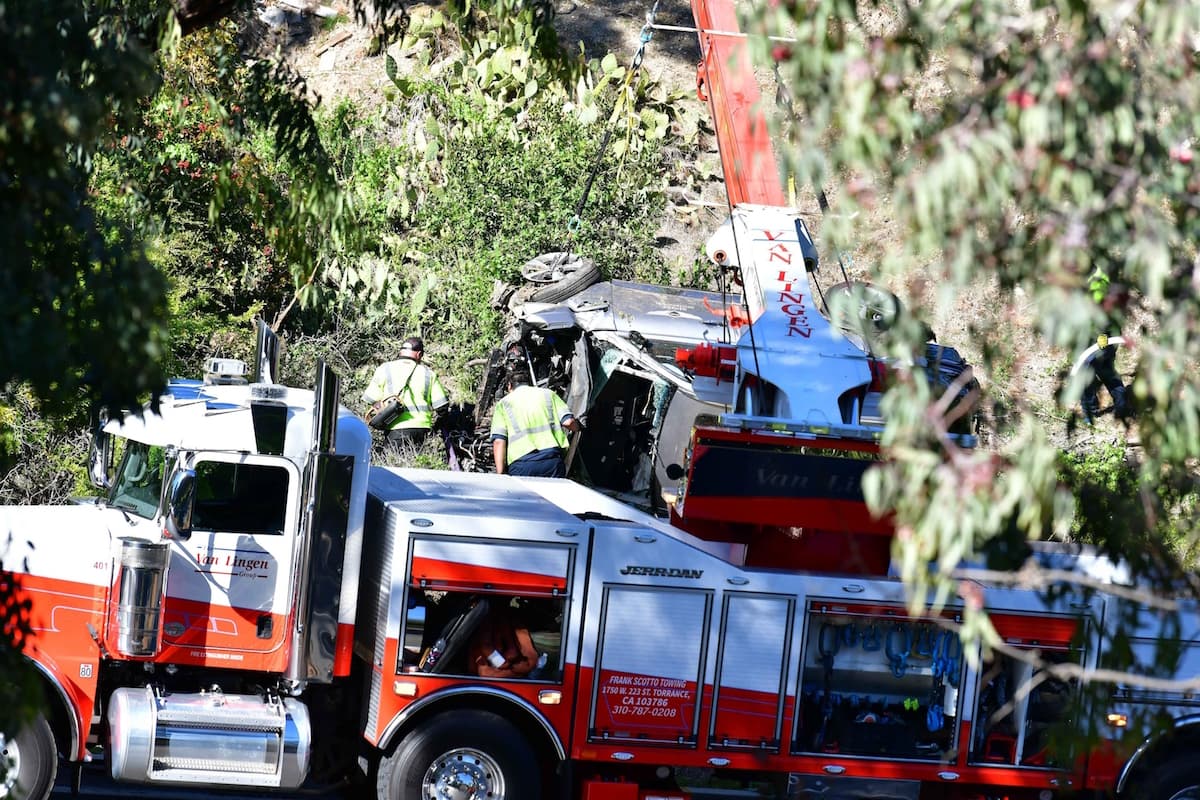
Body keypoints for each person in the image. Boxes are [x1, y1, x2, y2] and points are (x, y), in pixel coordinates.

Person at [490, 367, 581, 477]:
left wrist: (500, 473)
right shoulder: (548, 394)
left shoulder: (503, 404)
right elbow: (568, 422)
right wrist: (580, 427)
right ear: (529, 383)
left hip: (521, 464)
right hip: (551, 461)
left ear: (509, 386)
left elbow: (499, 441)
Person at [362, 336, 449, 449]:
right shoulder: (428, 373)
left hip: (394, 427)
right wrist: (438, 425)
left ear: (401, 351)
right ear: (419, 354)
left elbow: (370, 398)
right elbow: (442, 406)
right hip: (421, 429)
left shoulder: (385, 369)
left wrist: (385, 410)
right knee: (416, 459)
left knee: (395, 459)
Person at [1081, 335, 1130, 423]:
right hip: (1103, 344)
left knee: (1086, 379)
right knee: (1108, 373)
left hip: (1097, 345)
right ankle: (1122, 405)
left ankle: (1090, 414)